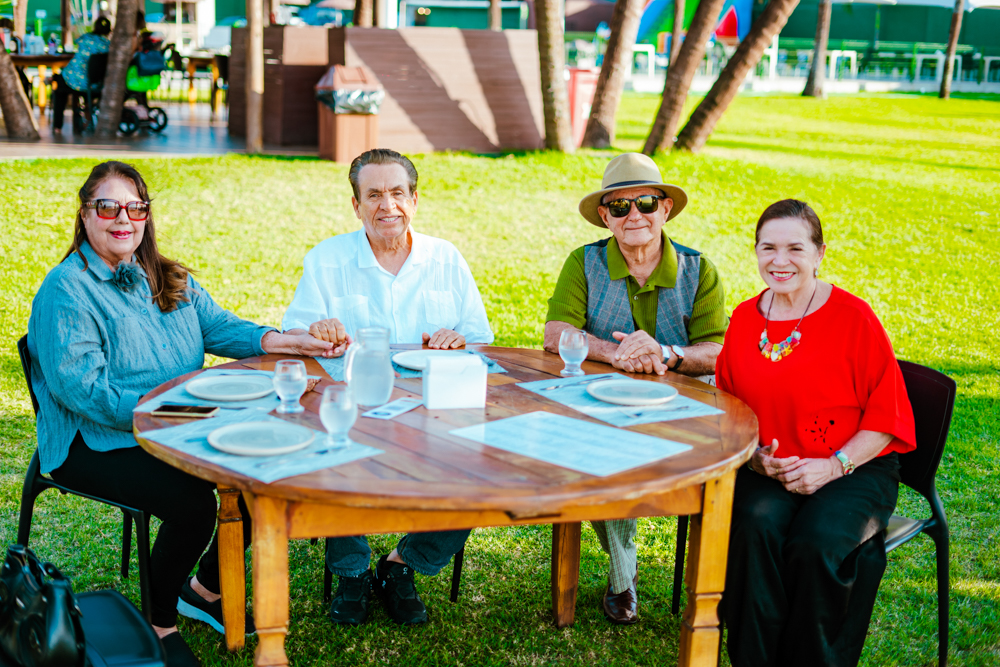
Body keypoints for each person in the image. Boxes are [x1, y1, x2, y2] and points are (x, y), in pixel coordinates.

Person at [27, 161, 335, 667]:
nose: (122, 218)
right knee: (192, 503)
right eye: (107, 207)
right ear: (85, 216)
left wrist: (282, 340)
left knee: (262, 468)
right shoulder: (67, 291)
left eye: (135, 207)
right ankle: (158, 619)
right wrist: (174, 413)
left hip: (176, 422)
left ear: (147, 216)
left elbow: (218, 326)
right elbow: (88, 394)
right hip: (94, 440)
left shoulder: (163, 274)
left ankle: (206, 589)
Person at [282, 148, 493, 627]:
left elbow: (480, 339)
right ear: (355, 205)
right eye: (373, 194)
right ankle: (352, 572)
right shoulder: (327, 260)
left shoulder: (446, 258)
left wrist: (460, 339)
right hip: (354, 409)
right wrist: (319, 330)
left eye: (397, 193)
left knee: (480, 463)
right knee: (333, 446)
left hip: (433, 409)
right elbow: (295, 337)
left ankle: (404, 564)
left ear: (415, 200)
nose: (387, 205)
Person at [715, 199, 916, 666]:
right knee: (754, 528)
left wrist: (833, 466)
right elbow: (726, 406)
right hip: (772, 466)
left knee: (816, 543)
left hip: (853, 464)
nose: (779, 261)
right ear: (756, 252)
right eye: (768, 248)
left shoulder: (853, 317)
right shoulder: (746, 318)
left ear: (820, 253)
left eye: (794, 248)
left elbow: (887, 419)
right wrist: (753, 458)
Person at [544, 152, 729, 624]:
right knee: (603, 454)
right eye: (620, 207)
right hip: (599, 400)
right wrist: (617, 353)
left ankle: (642, 577)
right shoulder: (584, 262)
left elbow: (718, 351)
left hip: (679, 405)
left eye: (645, 203)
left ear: (665, 208)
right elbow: (555, 334)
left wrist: (667, 352)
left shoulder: (697, 269)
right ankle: (624, 577)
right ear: (605, 216)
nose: (635, 216)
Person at [51, 17, 111, 133]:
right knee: (81, 94)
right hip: (91, 84)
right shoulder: (107, 45)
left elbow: (76, 43)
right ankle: (86, 120)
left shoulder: (85, 38)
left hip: (71, 79)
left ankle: (57, 126)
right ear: (109, 30)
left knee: (59, 90)